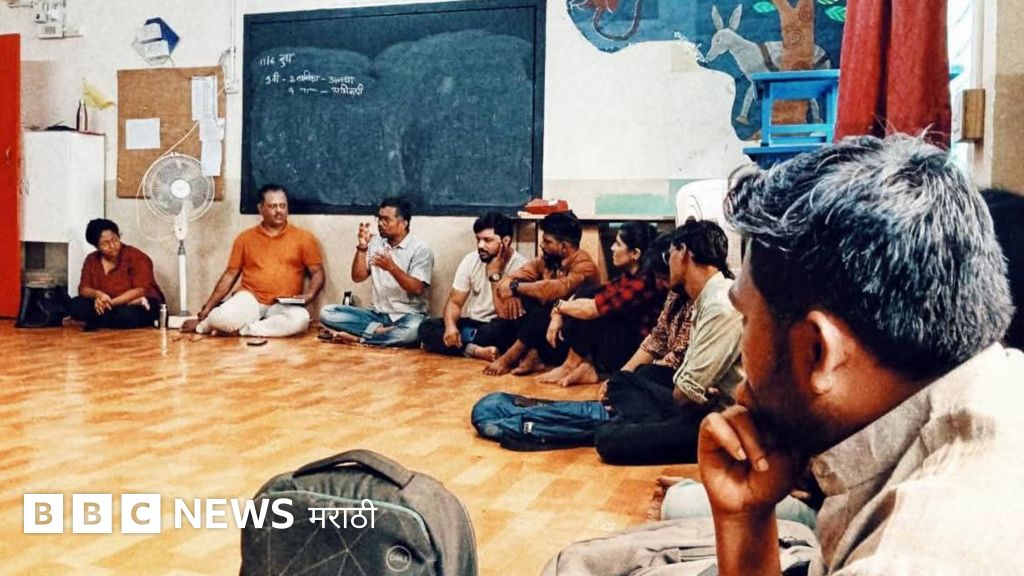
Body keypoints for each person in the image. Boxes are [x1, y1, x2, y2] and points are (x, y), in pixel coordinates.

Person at [700, 135, 1023, 575]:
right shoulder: (1003, 382)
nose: (742, 384)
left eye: (746, 320)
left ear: (819, 351)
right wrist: (743, 520)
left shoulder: (907, 559)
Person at [594, 219, 744, 465]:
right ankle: (651, 427)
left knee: (607, 438)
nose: (668, 262)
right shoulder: (704, 296)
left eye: (670, 254)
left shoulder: (720, 305)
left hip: (718, 420)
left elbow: (685, 392)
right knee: (624, 380)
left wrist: (690, 389)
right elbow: (662, 345)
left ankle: (651, 428)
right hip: (700, 405)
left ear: (683, 252)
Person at [536, 221, 668, 386]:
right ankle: (583, 367)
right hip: (617, 339)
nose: (612, 248)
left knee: (593, 312)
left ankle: (571, 366)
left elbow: (591, 308)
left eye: (618, 244)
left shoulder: (645, 281)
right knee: (585, 294)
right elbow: (595, 294)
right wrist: (558, 311)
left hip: (638, 347)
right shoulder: (630, 275)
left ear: (635, 253)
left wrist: (559, 307)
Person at [189, 184, 324, 337]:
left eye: (282, 206)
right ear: (260, 208)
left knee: (301, 320)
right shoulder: (245, 238)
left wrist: (310, 295)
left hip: (283, 304)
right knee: (221, 318)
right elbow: (230, 275)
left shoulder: (304, 238)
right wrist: (208, 307)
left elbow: (317, 272)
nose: (279, 211)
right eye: (272, 206)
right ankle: (209, 323)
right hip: (250, 299)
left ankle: (246, 329)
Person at [484, 210, 601, 376]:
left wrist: (515, 287)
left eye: (547, 242)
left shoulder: (585, 266)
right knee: (493, 330)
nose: (542, 245)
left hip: (566, 339)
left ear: (564, 247)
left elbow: (553, 290)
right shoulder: (546, 259)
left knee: (544, 308)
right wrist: (511, 294)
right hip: (541, 333)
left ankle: (511, 357)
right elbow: (507, 280)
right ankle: (532, 355)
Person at [319, 196, 434, 347]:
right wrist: (362, 247)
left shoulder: (420, 249)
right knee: (327, 312)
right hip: (376, 315)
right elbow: (358, 277)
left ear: (404, 223)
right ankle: (378, 333)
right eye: (379, 218)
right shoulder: (376, 243)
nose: (380, 223)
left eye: (386, 220)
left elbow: (417, 288)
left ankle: (359, 338)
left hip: (408, 315)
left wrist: (391, 267)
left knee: (412, 332)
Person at [418, 211, 529, 360]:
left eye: (487, 240)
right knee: (426, 327)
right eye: (478, 239)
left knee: (504, 332)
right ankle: (473, 350)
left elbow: (504, 315)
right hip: (473, 324)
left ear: (506, 241)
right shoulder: (471, 260)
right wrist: (450, 326)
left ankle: (451, 346)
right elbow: (455, 302)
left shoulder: (522, 267)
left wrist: (494, 275)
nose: (480, 245)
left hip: (498, 326)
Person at [69, 218, 165, 331]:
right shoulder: (91, 259)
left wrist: (110, 303)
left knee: (127, 315)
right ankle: (102, 318)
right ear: (96, 246)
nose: (112, 245)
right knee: (75, 305)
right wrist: (98, 294)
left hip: (139, 302)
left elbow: (140, 290)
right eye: (105, 243)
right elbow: (83, 289)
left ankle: (97, 319)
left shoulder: (136, 256)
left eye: (115, 240)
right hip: (110, 304)